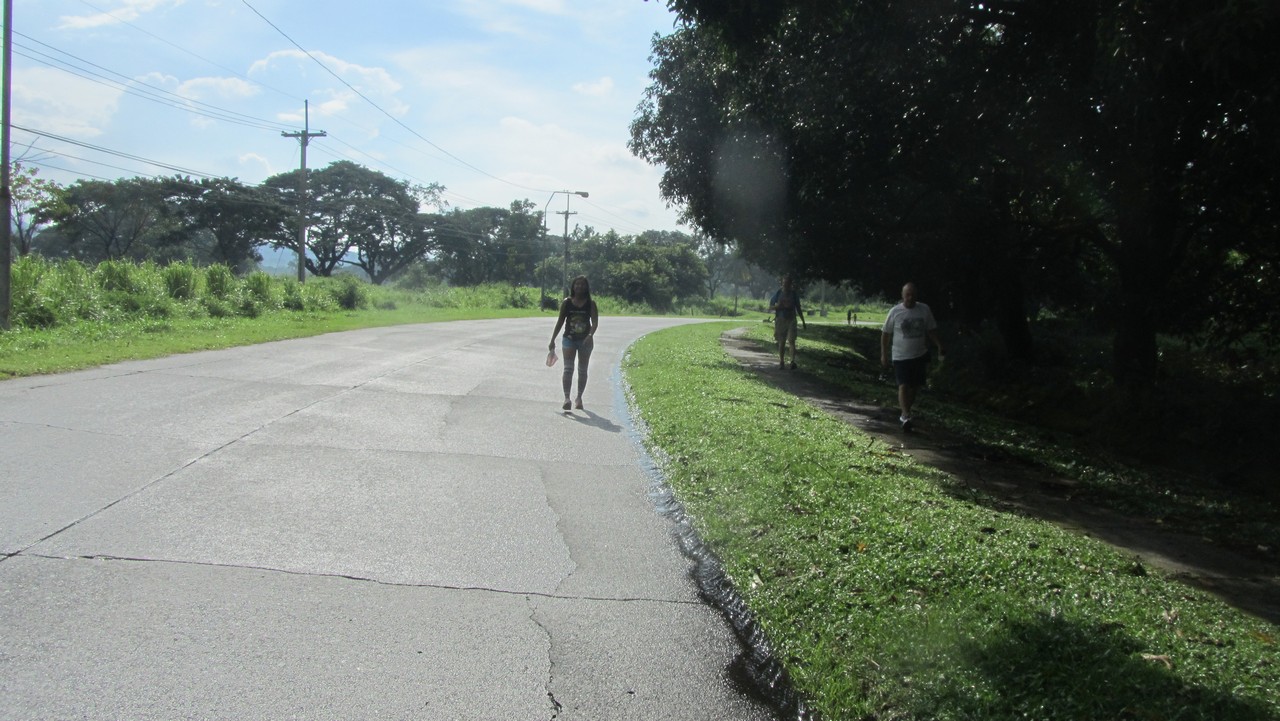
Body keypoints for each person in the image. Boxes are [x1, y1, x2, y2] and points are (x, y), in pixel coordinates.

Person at [880, 282, 944, 432]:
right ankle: (905, 415)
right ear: (902, 296)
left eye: (913, 295)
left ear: (916, 296)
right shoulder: (895, 312)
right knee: (903, 384)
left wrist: (939, 345)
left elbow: (931, 330)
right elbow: (885, 334)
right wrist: (884, 354)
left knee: (914, 386)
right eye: (907, 295)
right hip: (900, 356)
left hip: (919, 354)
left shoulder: (924, 309)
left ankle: (906, 413)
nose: (910, 298)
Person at [548, 275, 599, 411]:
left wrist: (590, 335)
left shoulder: (591, 304)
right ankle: (566, 398)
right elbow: (560, 321)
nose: (579, 286)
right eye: (577, 284)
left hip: (585, 341)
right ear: (573, 286)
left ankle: (579, 398)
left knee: (582, 370)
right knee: (568, 369)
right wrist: (552, 339)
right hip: (569, 339)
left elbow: (595, 323)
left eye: (582, 284)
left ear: (586, 287)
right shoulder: (567, 302)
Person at [768, 274, 806, 370]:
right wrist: (778, 306)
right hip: (780, 320)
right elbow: (770, 306)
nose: (786, 285)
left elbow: (798, 308)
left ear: (790, 284)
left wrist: (803, 321)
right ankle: (781, 361)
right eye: (784, 283)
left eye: (788, 283)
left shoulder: (794, 294)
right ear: (782, 283)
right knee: (782, 342)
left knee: (791, 340)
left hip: (791, 319)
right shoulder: (778, 293)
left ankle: (792, 361)